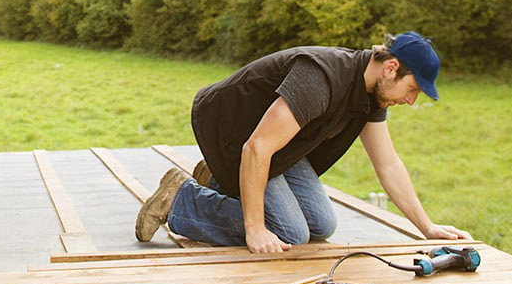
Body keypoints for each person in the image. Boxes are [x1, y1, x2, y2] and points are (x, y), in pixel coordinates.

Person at [135, 32, 472, 253]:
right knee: (290, 232)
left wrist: (427, 227)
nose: (412, 101)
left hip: (279, 143)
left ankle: (222, 181)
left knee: (322, 224)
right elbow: (257, 147)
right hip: (234, 129)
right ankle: (181, 199)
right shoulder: (322, 78)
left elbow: (388, 164)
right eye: (412, 90)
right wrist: (253, 229)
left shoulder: (370, 97)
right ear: (391, 68)